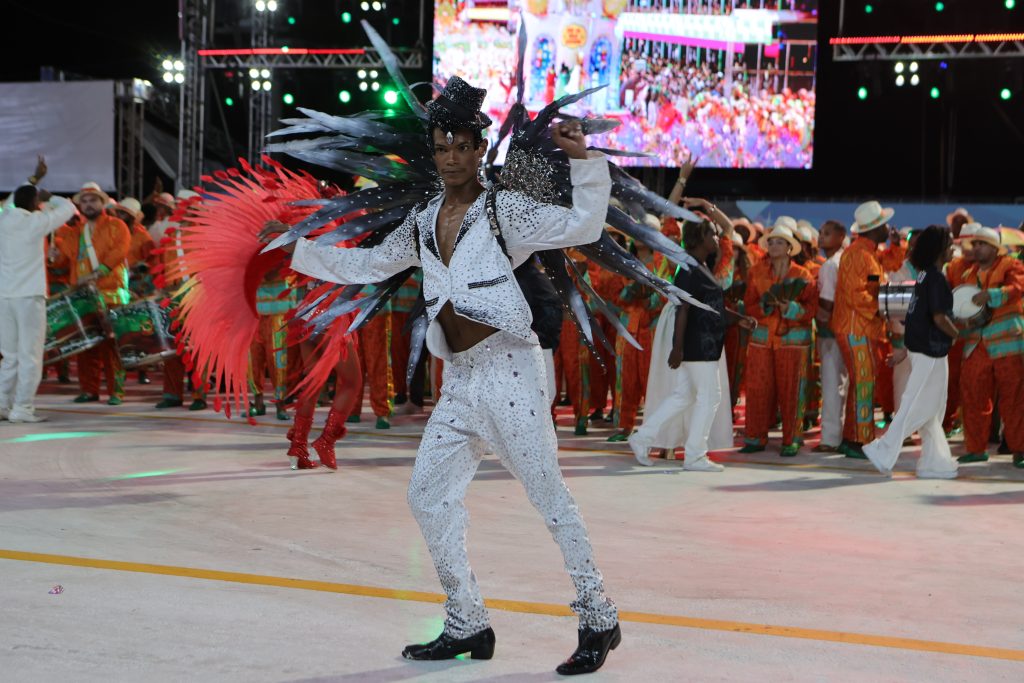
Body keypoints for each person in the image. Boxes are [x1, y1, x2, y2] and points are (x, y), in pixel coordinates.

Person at [261, 77, 620, 674]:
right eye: (442, 146)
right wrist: (297, 247)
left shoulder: (506, 209)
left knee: (548, 497)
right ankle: (467, 621)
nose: (451, 155)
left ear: (480, 148)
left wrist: (584, 161)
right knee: (427, 496)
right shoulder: (425, 218)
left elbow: (581, 225)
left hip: (511, 371)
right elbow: (373, 263)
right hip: (460, 381)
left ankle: (598, 615)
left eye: (461, 144)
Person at [629, 213, 755, 471]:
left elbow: (710, 306)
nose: (716, 238)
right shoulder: (688, 269)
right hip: (699, 344)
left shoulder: (700, 266)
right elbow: (682, 309)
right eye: (711, 234)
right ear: (699, 238)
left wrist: (738, 318)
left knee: (683, 396)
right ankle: (695, 455)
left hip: (704, 341)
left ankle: (642, 439)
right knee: (709, 397)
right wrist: (677, 348)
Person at [863, 226, 959, 478]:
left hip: (923, 350)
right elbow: (939, 318)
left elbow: (916, 318)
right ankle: (883, 449)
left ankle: (934, 462)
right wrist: (958, 333)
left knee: (933, 407)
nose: (953, 249)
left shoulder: (924, 277)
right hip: (931, 352)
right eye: (949, 244)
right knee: (918, 405)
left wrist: (904, 351)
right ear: (940, 250)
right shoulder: (935, 278)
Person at [0, 178, 76, 422]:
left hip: (4, 297)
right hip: (29, 297)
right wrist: (49, 196)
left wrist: (29, 183)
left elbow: (13, 201)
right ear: (35, 202)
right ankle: (22, 408)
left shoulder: (3, 220)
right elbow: (68, 208)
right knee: (30, 356)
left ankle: (2, 404)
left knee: (9, 356)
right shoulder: (36, 222)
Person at [739, 220, 817, 456]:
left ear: (790, 248)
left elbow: (811, 308)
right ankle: (754, 436)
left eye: (779, 242)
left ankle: (792, 438)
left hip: (793, 341)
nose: (773, 246)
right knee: (757, 388)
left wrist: (791, 309)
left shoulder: (803, 275)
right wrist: (762, 308)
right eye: (771, 242)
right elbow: (749, 304)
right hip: (762, 338)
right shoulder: (756, 272)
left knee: (792, 388)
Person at [52, 182, 132, 405]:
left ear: (102, 202)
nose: (88, 205)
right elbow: (63, 259)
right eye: (84, 202)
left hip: (109, 293)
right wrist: (54, 254)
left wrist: (101, 271)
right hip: (82, 296)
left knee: (111, 346)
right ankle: (89, 390)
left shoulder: (117, 226)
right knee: (85, 345)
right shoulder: (76, 232)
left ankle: (116, 392)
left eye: (92, 200)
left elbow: (120, 250)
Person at [955, 227, 1024, 468]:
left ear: (994, 248)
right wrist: (964, 320)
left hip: (1007, 343)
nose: (975, 249)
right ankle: (976, 449)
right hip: (976, 343)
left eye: (981, 244)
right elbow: (963, 308)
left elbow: (1017, 289)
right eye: (974, 245)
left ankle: (1020, 450)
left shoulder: (1011, 265)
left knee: (1014, 398)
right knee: (973, 396)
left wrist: (990, 295)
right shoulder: (968, 274)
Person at [832, 201, 892, 458]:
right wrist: (881, 308)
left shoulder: (868, 254)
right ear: (875, 229)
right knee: (864, 381)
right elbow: (856, 295)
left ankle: (855, 438)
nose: (889, 228)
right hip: (856, 326)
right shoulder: (857, 253)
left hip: (864, 327)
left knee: (863, 382)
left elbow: (870, 288)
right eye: (884, 225)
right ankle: (858, 441)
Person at [813, 219, 848, 452]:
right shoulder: (845, 260)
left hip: (830, 331)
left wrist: (819, 317)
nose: (821, 237)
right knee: (841, 384)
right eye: (820, 233)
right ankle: (839, 432)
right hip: (847, 330)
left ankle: (829, 438)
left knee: (830, 384)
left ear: (839, 238)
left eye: (827, 233)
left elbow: (827, 302)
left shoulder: (829, 265)